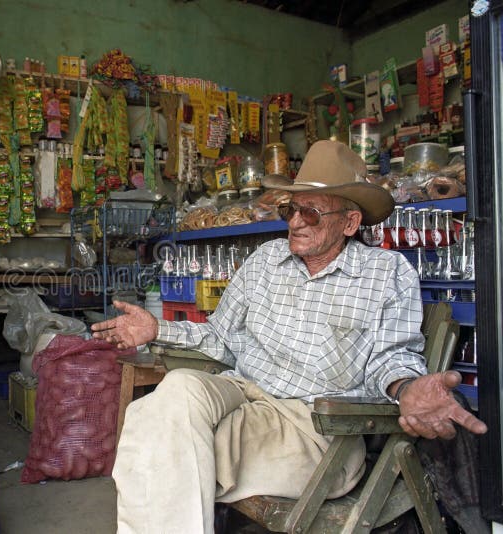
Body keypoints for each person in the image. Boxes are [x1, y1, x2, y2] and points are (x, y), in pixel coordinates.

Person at [91, 140, 487, 534]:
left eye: (311, 213)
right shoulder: (265, 260)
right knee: (174, 392)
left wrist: (407, 388)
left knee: (155, 442)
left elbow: (391, 357)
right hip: (243, 394)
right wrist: (158, 329)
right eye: (290, 209)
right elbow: (221, 338)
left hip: (313, 428)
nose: (295, 222)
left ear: (349, 223)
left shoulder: (385, 273)